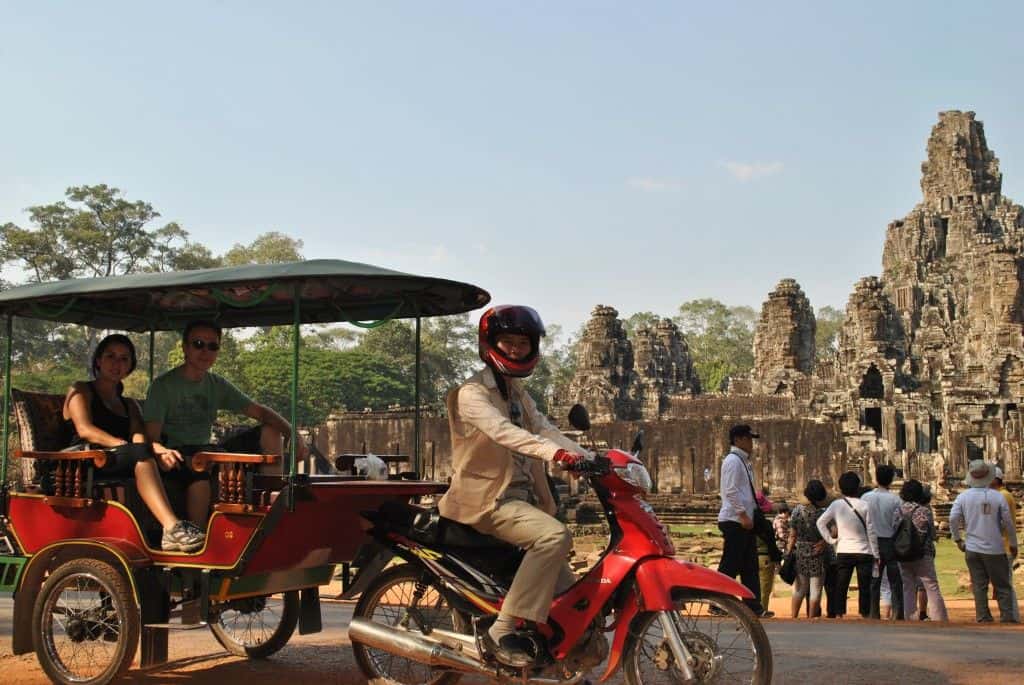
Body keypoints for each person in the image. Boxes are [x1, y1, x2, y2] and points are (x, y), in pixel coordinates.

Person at [437, 305, 588, 667]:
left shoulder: (516, 392)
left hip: (524, 502)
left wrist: (591, 456)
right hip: (488, 501)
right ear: (491, 343)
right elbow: (505, 433)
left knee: (573, 597)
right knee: (554, 537)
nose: (517, 349)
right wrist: (557, 455)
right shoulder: (472, 394)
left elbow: (544, 427)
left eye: (523, 342)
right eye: (508, 341)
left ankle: (559, 668)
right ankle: (501, 630)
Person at [143, 320, 308, 526]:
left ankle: (273, 507)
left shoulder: (216, 384)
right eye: (198, 344)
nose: (205, 351)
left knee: (271, 430)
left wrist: (293, 434)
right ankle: (196, 534)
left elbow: (260, 412)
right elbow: (152, 437)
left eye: (213, 346)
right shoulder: (163, 386)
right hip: (179, 454)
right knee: (200, 468)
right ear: (185, 347)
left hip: (209, 450)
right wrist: (161, 453)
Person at [63, 334, 205, 552]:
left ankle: (196, 533)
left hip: (121, 458)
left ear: (130, 366)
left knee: (190, 468)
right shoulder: (80, 390)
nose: (117, 363)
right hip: (85, 461)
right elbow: (85, 430)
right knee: (138, 453)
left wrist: (157, 452)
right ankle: (171, 527)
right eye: (110, 356)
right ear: (98, 360)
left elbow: (139, 434)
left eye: (124, 359)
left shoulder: (129, 404)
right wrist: (123, 445)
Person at [949, 460, 1018, 623]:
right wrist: (1013, 544)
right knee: (1002, 586)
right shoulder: (997, 496)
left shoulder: (963, 497)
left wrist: (958, 539)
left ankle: (983, 617)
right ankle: (1007, 617)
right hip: (994, 547)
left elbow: (952, 518)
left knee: (979, 586)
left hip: (972, 547)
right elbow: (1008, 523)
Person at [717, 424, 773, 617]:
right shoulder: (733, 461)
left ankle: (753, 606)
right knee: (730, 563)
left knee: (749, 565)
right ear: (738, 440)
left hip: (743, 520)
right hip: (735, 520)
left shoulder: (742, 462)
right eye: (748, 439)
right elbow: (730, 491)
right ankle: (717, 603)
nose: (751, 443)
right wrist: (742, 514)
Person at [817, 471, 878, 618]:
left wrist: (831, 541)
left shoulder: (837, 505)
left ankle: (839, 613)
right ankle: (864, 613)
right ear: (858, 487)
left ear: (841, 488)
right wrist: (876, 553)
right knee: (865, 585)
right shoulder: (865, 505)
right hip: (864, 550)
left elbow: (820, 522)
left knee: (841, 585)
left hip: (844, 549)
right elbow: (871, 531)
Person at [894, 479, 948, 621]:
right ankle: (939, 618)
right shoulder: (924, 511)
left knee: (908, 586)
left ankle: (910, 617)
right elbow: (932, 534)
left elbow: (894, 530)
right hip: (923, 553)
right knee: (931, 585)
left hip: (902, 553)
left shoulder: (898, 510)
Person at [862, 463, 904, 619]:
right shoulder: (895, 499)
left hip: (872, 541)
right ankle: (898, 614)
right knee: (895, 580)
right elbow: (899, 521)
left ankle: (873, 613)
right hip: (890, 541)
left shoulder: (866, 497)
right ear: (891, 480)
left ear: (876, 478)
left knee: (874, 580)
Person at [788, 479, 828, 618]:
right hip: (817, 551)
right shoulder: (823, 513)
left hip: (801, 551)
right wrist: (824, 541)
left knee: (800, 589)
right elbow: (833, 531)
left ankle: (794, 616)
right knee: (816, 589)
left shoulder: (797, 511)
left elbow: (792, 535)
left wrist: (788, 552)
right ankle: (811, 618)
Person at [990, 467, 1020, 622]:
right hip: (1001, 545)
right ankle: (1008, 614)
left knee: (1005, 585)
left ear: (995, 480)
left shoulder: (1003, 496)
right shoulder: (1001, 495)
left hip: (1005, 545)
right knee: (1002, 584)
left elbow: (1003, 523)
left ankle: (1012, 616)